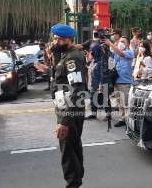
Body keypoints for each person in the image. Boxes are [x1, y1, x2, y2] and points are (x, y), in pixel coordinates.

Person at [50, 24, 87, 188]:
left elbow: (77, 88)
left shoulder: (73, 58)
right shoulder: (65, 55)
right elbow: (62, 80)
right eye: (54, 38)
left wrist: (64, 121)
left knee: (68, 150)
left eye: (58, 39)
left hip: (69, 112)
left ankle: (73, 183)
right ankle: (76, 180)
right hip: (65, 107)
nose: (54, 42)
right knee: (72, 147)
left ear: (68, 39)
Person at [102, 37, 134, 127]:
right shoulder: (115, 52)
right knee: (120, 102)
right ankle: (122, 119)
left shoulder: (129, 52)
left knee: (126, 103)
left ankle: (129, 121)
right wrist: (105, 44)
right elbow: (107, 53)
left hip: (125, 82)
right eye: (120, 41)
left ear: (127, 44)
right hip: (117, 80)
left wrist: (110, 43)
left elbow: (121, 53)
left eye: (123, 41)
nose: (121, 43)